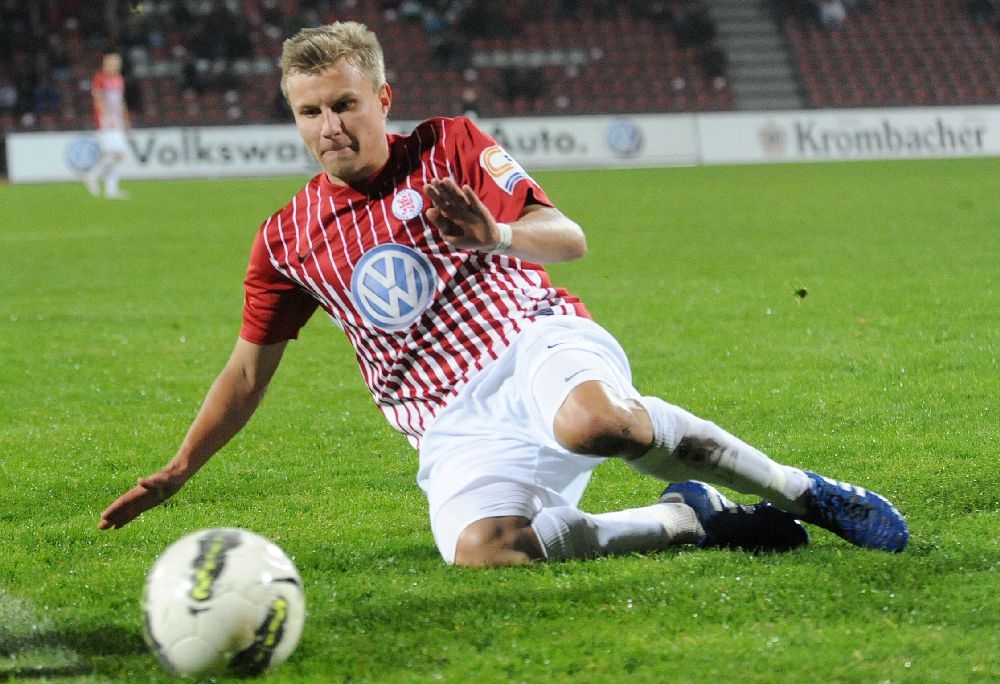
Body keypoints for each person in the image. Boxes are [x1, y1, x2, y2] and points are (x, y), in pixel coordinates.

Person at [98, 22, 909, 566]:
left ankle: (805, 492)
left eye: (344, 104)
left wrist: (497, 234)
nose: (329, 126)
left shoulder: (449, 145)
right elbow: (247, 373)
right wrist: (179, 469)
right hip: (449, 423)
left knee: (599, 424)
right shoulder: (287, 238)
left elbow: (568, 237)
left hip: (531, 341)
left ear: (382, 99)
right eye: (310, 112)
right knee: (487, 552)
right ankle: (686, 519)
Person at [85, 52, 130, 199]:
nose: (114, 66)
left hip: (117, 120)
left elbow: (121, 101)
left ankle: (111, 189)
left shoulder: (119, 79)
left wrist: (125, 119)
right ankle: (92, 176)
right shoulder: (100, 79)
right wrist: (106, 117)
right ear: (105, 65)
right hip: (106, 121)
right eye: (111, 63)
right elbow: (98, 100)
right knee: (115, 153)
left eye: (116, 64)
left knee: (117, 155)